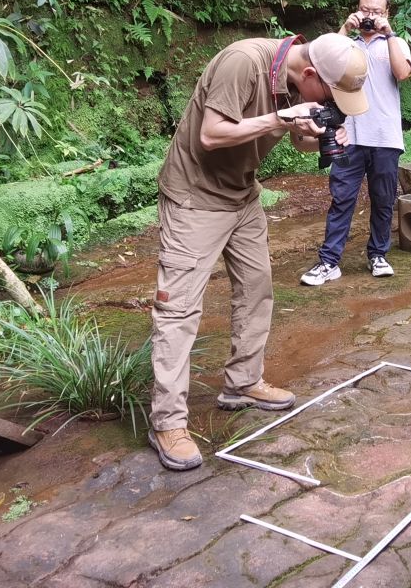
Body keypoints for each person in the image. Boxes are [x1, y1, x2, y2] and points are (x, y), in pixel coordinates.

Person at [147, 33, 369, 471]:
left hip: (242, 194)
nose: (337, 104)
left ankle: (242, 383)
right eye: (332, 97)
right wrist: (281, 119)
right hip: (195, 197)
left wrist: (316, 131)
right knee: (179, 310)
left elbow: (294, 137)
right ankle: (167, 422)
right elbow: (212, 135)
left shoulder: (292, 79)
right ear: (309, 75)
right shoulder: (243, 62)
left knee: (256, 289)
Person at [300, 0, 411, 286]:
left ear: (387, 14)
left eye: (377, 12)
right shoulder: (345, 45)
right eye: (366, 10)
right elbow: (324, 66)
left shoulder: (397, 42)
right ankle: (329, 262)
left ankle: (378, 255)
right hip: (347, 134)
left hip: (385, 136)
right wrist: (345, 28)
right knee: (342, 199)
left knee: (383, 199)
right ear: (357, 9)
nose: (370, 16)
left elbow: (402, 73)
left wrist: (388, 35)